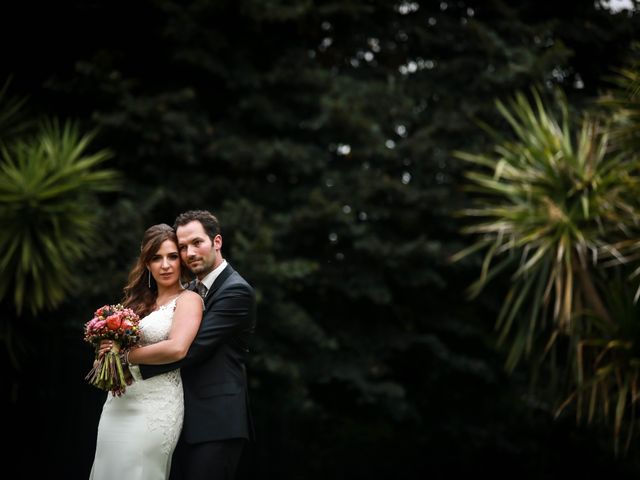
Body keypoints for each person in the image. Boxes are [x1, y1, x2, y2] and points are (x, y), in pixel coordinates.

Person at [133, 210, 257, 480]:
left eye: (197, 243)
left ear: (217, 242)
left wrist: (129, 363)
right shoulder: (188, 290)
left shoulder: (235, 291)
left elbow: (191, 349)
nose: (189, 252)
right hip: (177, 416)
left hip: (217, 422)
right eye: (183, 247)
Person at [89, 224, 204, 480]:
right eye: (156, 258)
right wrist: (106, 352)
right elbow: (112, 355)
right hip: (118, 404)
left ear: (182, 260)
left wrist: (126, 356)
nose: (165, 265)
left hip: (156, 407)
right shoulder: (136, 304)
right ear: (147, 264)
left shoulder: (189, 300)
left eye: (172, 256)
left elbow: (177, 347)